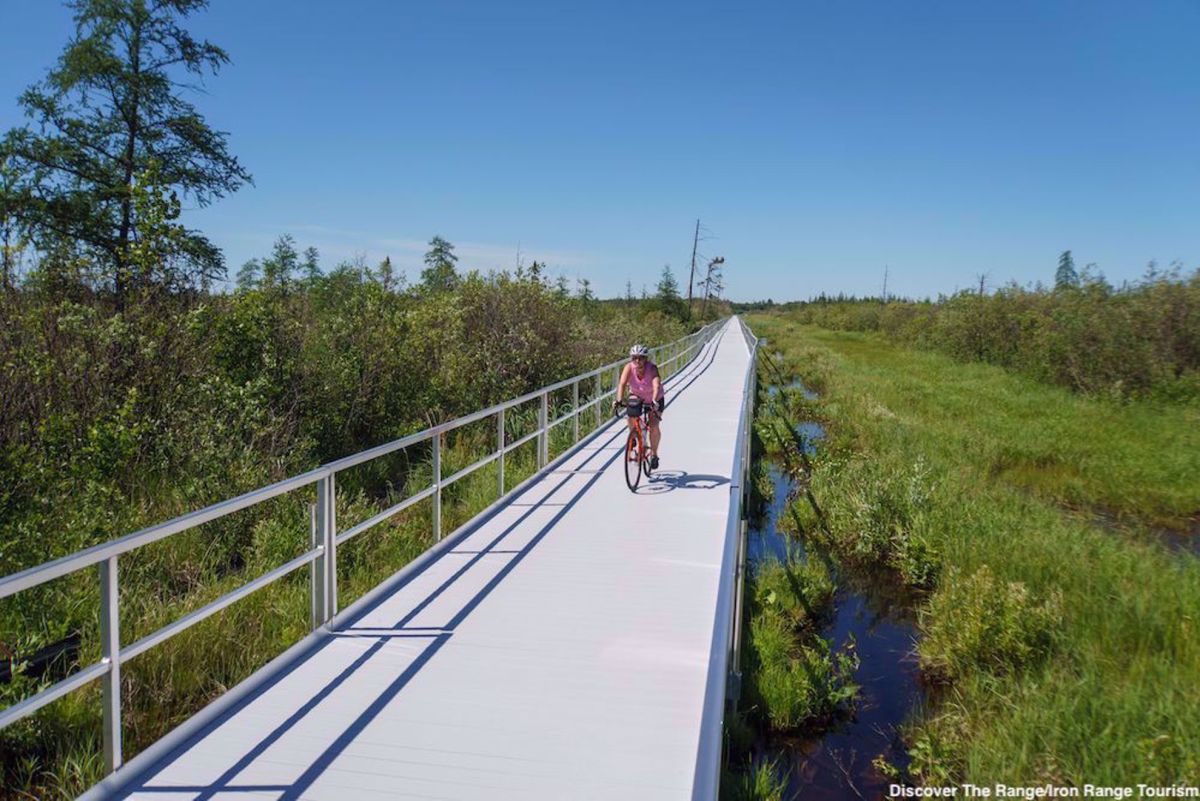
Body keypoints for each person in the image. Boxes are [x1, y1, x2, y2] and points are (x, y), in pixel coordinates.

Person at [613, 343, 665, 469]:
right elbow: (622, 384)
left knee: (653, 426)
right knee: (631, 414)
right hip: (637, 396)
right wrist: (619, 400)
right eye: (634, 357)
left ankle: (654, 454)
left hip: (654, 397)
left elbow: (656, 385)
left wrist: (654, 401)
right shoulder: (629, 367)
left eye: (640, 358)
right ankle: (634, 435)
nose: (637, 360)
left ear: (645, 359)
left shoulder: (652, 368)